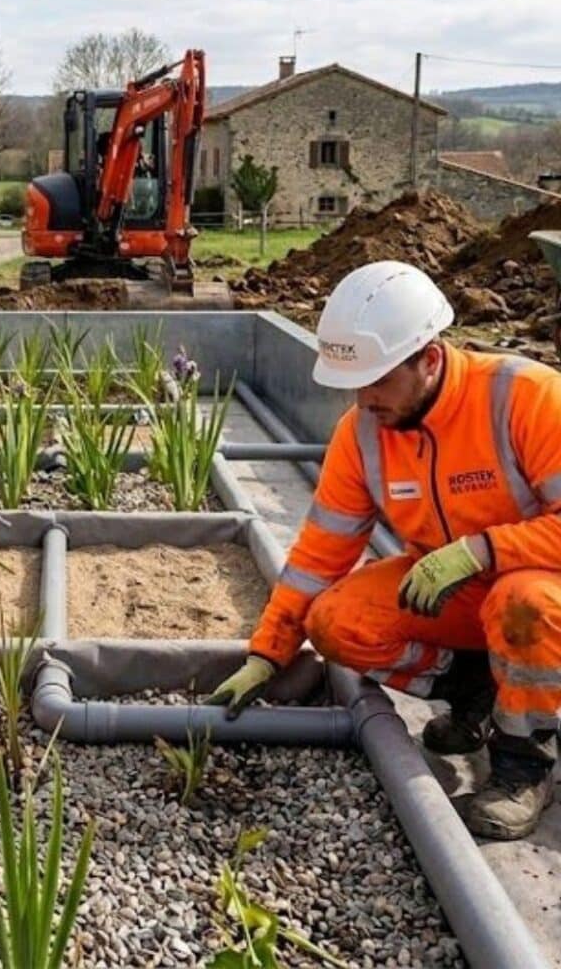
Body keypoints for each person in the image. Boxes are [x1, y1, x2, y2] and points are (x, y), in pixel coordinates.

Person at [208, 261, 560, 840]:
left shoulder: (526, 398)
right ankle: (478, 691)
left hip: (542, 590)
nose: (364, 399)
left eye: (377, 381)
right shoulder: (364, 432)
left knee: (523, 603)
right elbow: (320, 554)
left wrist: (484, 549)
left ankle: (525, 765)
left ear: (429, 358)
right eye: (355, 383)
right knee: (337, 621)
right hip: (462, 591)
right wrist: (267, 653)